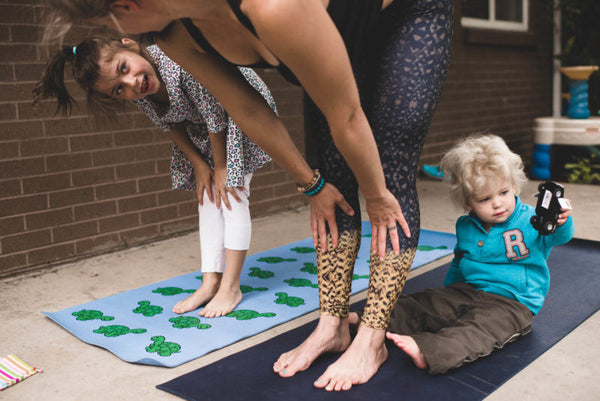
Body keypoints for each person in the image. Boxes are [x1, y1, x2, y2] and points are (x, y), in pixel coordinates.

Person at [41, 0, 454, 390]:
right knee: (330, 179)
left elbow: (345, 115)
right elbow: (247, 109)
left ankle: (371, 339)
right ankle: (332, 326)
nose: (110, 33)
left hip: (408, 14)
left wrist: (376, 194)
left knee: (389, 169)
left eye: (105, 24)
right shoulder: (173, 38)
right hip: (332, 36)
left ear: (126, 7)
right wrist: (310, 184)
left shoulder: (270, 7)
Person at [33, 35, 278, 318]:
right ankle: (211, 281)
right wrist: (198, 163)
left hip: (241, 109)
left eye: (124, 69)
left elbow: (216, 115)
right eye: (118, 90)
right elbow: (169, 124)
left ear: (131, 45)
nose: (131, 84)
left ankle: (231, 287)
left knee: (232, 193)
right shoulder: (141, 92)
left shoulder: (179, 62)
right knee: (208, 196)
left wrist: (222, 168)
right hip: (207, 126)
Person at [350, 134, 575, 374]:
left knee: (477, 330)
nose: (498, 204)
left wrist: (561, 222)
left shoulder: (532, 220)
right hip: (468, 291)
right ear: (468, 202)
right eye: (485, 199)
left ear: (515, 186)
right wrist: (448, 293)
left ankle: (430, 351)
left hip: (513, 304)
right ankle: (363, 319)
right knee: (425, 304)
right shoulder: (466, 226)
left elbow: (559, 237)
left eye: (503, 192)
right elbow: (460, 260)